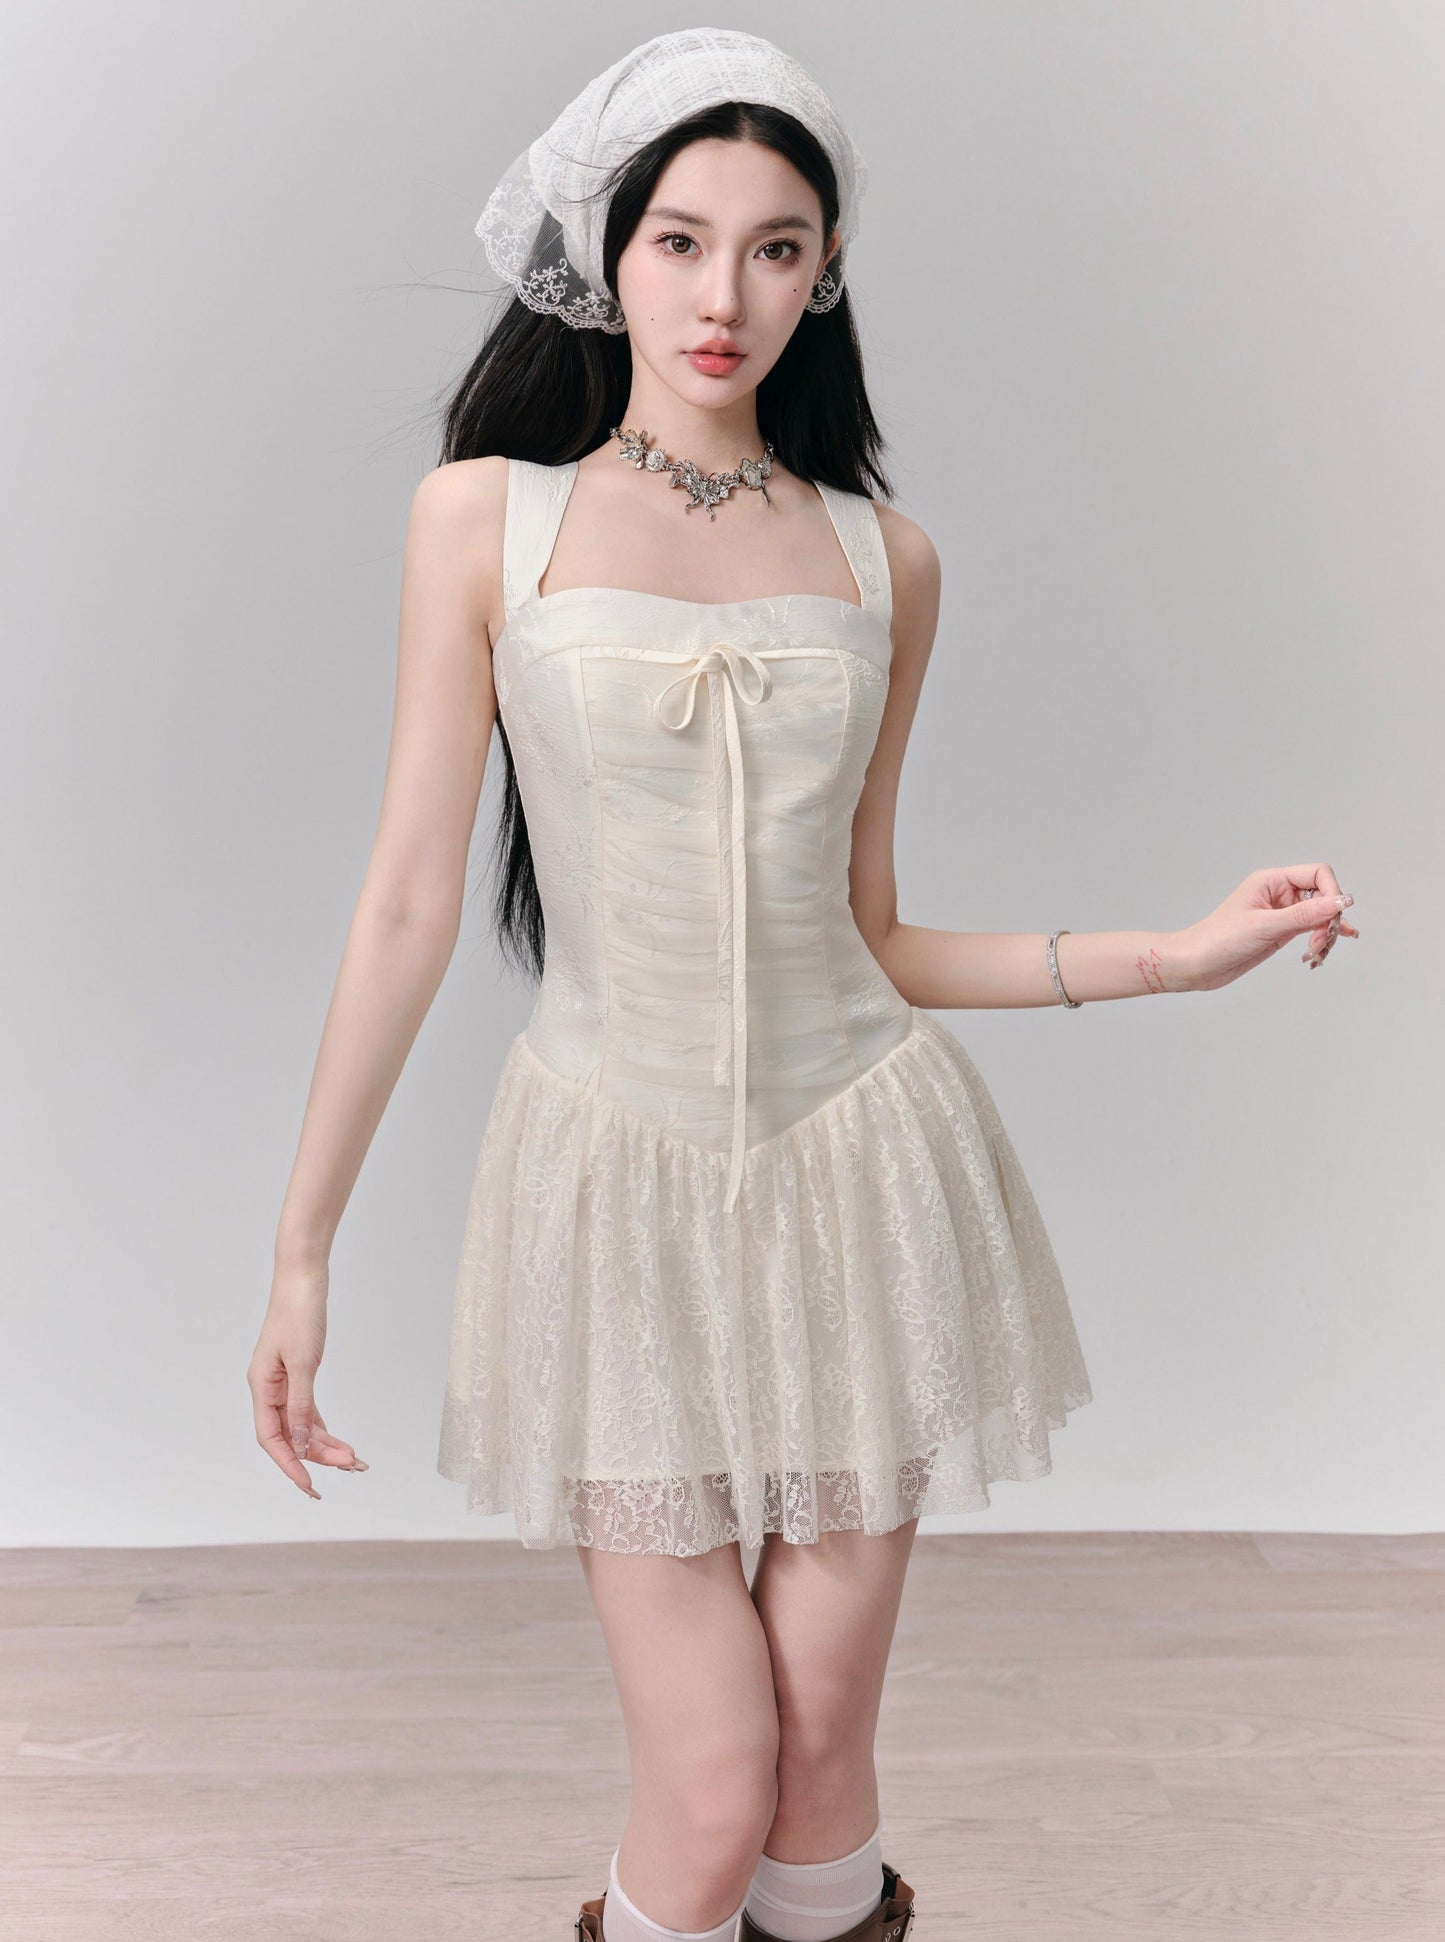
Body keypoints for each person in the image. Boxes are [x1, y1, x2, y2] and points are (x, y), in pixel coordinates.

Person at [246, 28, 1358, 1942]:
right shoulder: (484, 519)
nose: (722, 295)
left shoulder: (882, 559)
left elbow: (873, 932)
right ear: (609, 254)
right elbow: (411, 901)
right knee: (709, 1784)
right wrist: (300, 1249)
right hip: (617, 1189)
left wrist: (1176, 957)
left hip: (859, 1174)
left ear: (821, 273)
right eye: (679, 241)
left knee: (823, 1756)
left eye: (775, 249)